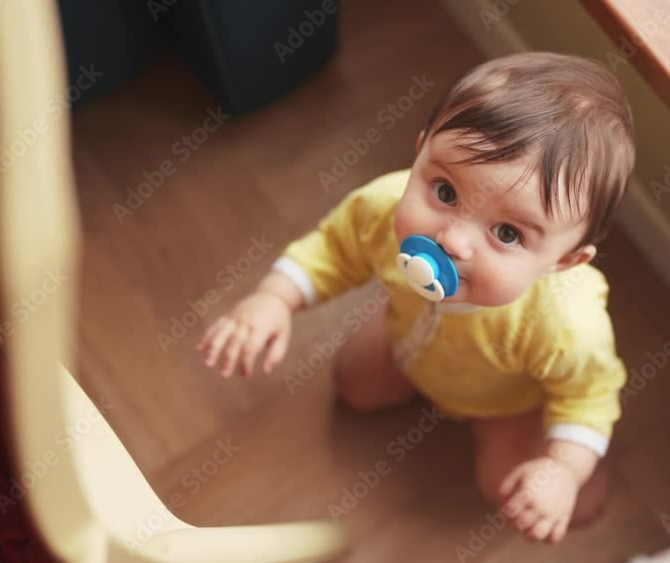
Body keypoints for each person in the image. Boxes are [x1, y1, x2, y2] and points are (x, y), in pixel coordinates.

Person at [196, 52, 635, 544]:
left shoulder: (566, 324)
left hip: (508, 400)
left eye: (507, 233)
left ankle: (588, 463)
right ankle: (409, 334)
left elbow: (589, 394)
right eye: (445, 192)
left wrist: (563, 469)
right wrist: (274, 299)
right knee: (354, 385)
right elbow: (333, 248)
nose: (453, 241)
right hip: (409, 334)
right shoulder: (385, 207)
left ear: (564, 261)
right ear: (420, 152)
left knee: (505, 485)